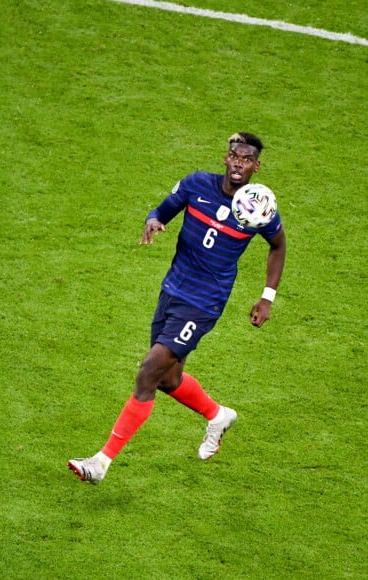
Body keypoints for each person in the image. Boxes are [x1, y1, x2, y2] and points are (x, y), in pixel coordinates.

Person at [68, 132, 286, 484]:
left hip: (204, 302)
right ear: (225, 158)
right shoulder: (196, 184)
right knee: (169, 379)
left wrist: (267, 297)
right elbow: (162, 210)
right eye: (234, 156)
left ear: (256, 166)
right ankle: (218, 415)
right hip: (172, 290)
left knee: (148, 373)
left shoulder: (257, 207)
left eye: (246, 159)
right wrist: (153, 220)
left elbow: (278, 245)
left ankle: (101, 462)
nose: (238, 163)